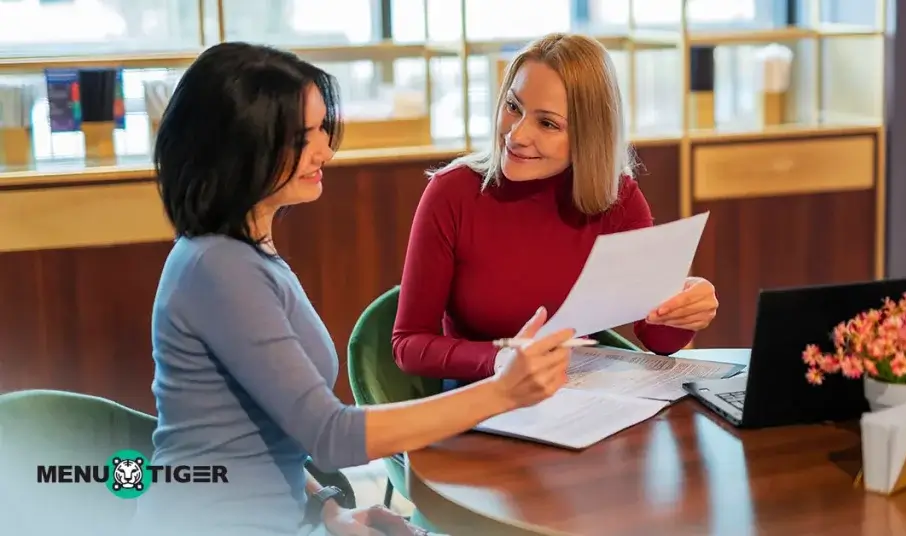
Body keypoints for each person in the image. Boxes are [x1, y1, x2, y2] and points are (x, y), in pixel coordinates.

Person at [133, 42, 576, 536]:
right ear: (241, 146)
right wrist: (503, 391)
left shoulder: (243, 252)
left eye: (323, 129)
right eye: (303, 137)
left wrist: (326, 507)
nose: (324, 150)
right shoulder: (219, 268)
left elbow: (260, 434)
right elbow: (330, 435)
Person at [392, 33, 720, 384]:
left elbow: (657, 339)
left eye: (547, 123)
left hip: (582, 397)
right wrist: (501, 359)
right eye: (513, 107)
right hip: (482, 397)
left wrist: (684, 310)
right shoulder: (452, 192)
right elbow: (408, 344)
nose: (516, 135)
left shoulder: (617, 200)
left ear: (589, 136)